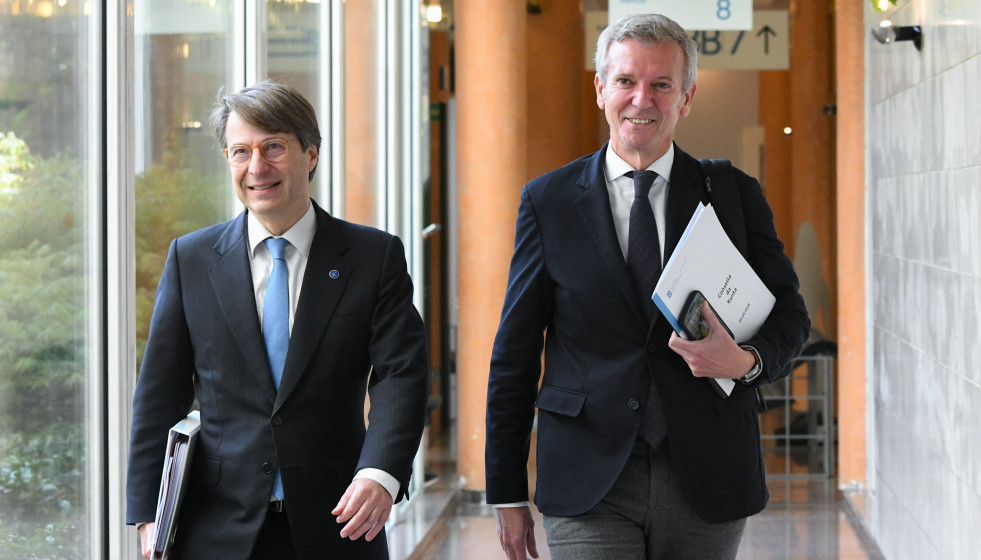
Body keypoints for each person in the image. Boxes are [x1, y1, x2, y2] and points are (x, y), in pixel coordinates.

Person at [485, 13, 810, 560]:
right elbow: (514, 353)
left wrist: (745, 363)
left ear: (686, 98)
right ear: (600, 89)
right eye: (626, 82)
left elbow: (791, 318)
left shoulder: (732, 196)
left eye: (662, 84)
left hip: (707, 470)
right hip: (588, 474)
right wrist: (507, 491)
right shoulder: (549, 201)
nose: (642, 99)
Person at [125, 80, 430, 560]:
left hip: (341, 522)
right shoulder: (191, 259)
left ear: (310, 153)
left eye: (273, 147)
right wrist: (149, 514)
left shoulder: (373, 257)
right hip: (215, 529)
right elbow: (159, 395)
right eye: (239, 151)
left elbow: (401, 375)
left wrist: (380, 473)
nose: (256, 167)